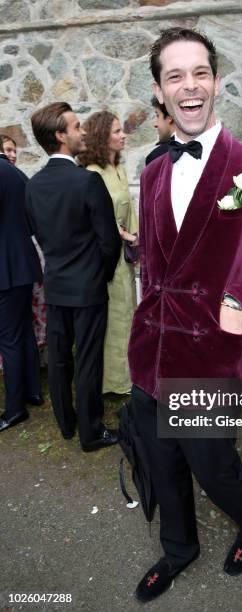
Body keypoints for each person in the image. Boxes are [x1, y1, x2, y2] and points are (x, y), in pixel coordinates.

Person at [127, 27, 242, 602]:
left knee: (214, 469)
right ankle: (179, 548)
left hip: (209, 358)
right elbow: (157, 263)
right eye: (174, 76)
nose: (189, 85)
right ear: (159, 91)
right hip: (149, 357)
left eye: (199, 72)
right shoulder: (151, 172)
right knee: (162, 465)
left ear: (216, 82)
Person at [26, 102, 122, 452]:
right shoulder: (87, 181)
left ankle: (66, 424)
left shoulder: (33, 185)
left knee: (60, 358)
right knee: (88, 360)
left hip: (55, 285)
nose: (82, 131)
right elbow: (109, 241)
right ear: (60, 135)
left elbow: (35, 232)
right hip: (89, 287)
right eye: (76, 125)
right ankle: (91, 432)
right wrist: (104, 275)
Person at [77, 111, 138, 395]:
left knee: (126, 314)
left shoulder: (119, 169)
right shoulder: (92, 174)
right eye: (116, 131)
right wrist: (121, 233)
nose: (123, 135)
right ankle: (109, 381)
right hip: (104, 257)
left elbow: (129, 209)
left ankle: (124, 376)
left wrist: (135, 238)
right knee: (112, 316)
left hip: (123, 255)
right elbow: (93, 218)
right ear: (103, 137)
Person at [0, 148, 43, 432]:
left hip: (4, 266)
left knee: (9, 338)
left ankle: (15, 409)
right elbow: (31, 218)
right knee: (22, 330)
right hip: (21, 261)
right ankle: (32, 391)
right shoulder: (15, 172)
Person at [145, 96, 175, 165]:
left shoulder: (157, 157)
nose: (155, 124)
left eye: (158, 115)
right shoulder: (199, 148)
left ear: (169, 118)